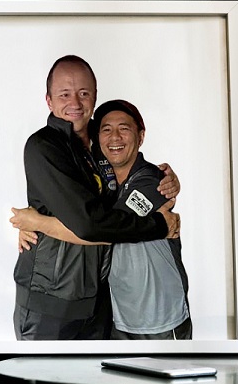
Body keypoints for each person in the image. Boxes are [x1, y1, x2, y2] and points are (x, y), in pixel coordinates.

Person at [12, 55, 181, 341]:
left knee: (99, 372)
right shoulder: (43, 147)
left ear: (94, 96)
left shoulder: (102, 141)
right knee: (46, 373)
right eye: (64, 94)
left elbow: (121, 197)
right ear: (49, 101)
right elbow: (89, 224)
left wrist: (165, 179)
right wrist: (158, 225)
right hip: (50, 303)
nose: (75, 103)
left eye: (83, 93)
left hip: (101, 301)